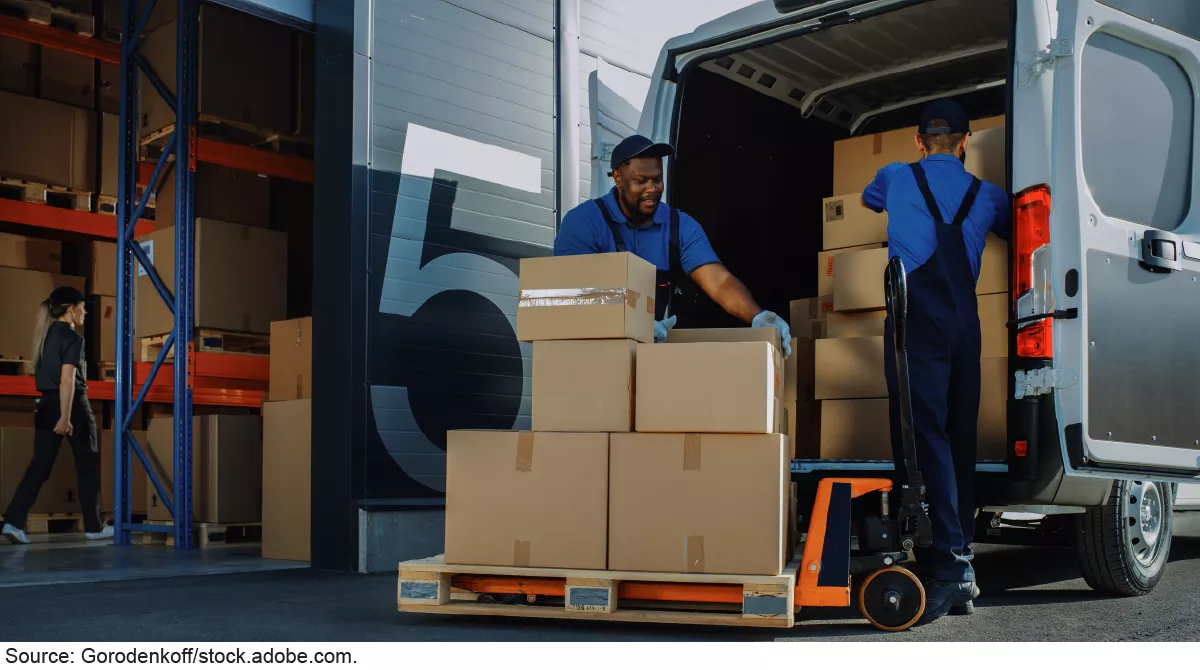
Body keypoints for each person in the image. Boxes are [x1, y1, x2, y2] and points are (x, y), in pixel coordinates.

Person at [861, 100, 1010, 624]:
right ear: (965, 142)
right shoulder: (988, 196)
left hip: (914, 322)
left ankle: (947, 566)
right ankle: (958, 552)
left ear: (920, 141)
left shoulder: (894, 175)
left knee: (923, 435)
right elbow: (1016, 227)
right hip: (965, 325)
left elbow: (868, 199)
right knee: (957, 434)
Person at [554, 134, 792, 355]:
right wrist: (636, 324)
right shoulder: (583, 222)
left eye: (657, 180)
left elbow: (719, 282)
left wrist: (757, 315)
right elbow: (573, 294)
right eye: (641, 181)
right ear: (617, 178)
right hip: (589, 353)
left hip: (646, 354)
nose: (652, 189)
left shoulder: (679, 226)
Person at [2, 286, 111, 545]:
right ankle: (94, 527)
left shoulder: (45, 336)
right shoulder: (74, 339)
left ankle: (13, 522)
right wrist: (66, 416)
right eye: (82, 307)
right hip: (71, 406)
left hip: (44, 405)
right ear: (71, 309)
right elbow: (67, 381)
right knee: (87, 466)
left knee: (39, 467)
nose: (85, 312)